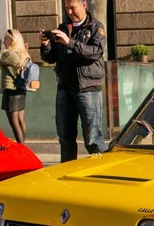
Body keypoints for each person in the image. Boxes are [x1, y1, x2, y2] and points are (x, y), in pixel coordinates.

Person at [39, 0, 106, 163]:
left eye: (73, 7)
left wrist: (69, 42)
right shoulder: (63, 28)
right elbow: (50, 58)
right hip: (64, 89)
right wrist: (45, 44)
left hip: (88, 89)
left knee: (93, 138)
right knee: (65, 137)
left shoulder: (95, 27)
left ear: (84, 5)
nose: (70, 12)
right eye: (67, 8)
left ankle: (99, 171)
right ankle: (67, 171)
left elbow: (95, 52)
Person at [0, 29, 30, 144]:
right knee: (21, 120)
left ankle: (21, 148)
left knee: (14, 122)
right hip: (21, 89)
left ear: (13, 41)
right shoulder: (24, 53)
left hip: (11, 89)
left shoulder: (8, 53)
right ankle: (23, 145)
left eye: (6, 39)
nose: (3, 41)